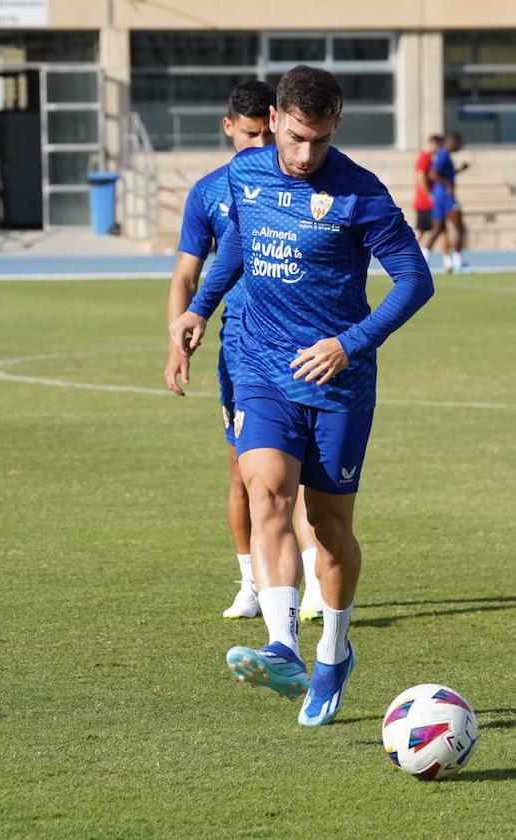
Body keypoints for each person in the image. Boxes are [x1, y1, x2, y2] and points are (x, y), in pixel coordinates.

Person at [169, 65, 434, 725]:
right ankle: (283, 643)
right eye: (294, 138)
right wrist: (200, 306)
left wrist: (351, 341)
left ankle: (334, 652)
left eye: (318, 141)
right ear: (277, 118)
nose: (305, 153)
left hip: (337, 381)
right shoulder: (246, 174)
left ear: (334, 127)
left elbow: (413, 281)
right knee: (266, 493)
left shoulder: (361, 194)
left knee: (330, 526)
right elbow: (240, 247)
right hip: (259, 366)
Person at [163, 80, 323, 623]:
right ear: (230, 127)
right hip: (241, 343)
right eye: (248, 134)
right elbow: (187, 273)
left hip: (302, 337)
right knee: (243, 473)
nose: (259, 145)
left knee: (303, 475)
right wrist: (179, 334)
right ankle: (252, 582)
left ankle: (314, 582)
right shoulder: (212, 191)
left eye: (266, 134)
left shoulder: (304, 183)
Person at [428, 132, 468, 273]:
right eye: (458, 142)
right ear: (451, 141)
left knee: (437, 230)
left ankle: (423, 259)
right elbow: (433, 174)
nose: (459, 146)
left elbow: (444, 174)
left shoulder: (442, 155)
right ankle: (458, 263)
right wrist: (448, 185)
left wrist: (459, 171)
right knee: (459, 228)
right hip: (446, 197)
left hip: (439, 197)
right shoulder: (444, 154)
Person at [413, 134, 441, 260]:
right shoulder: (425, 158)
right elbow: (420, 177)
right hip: (425, 202)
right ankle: (410, 253)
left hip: (427, 201)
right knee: (422, 231)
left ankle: (449, 260)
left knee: (439, 228)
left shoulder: (429, 159)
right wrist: (429, 195)